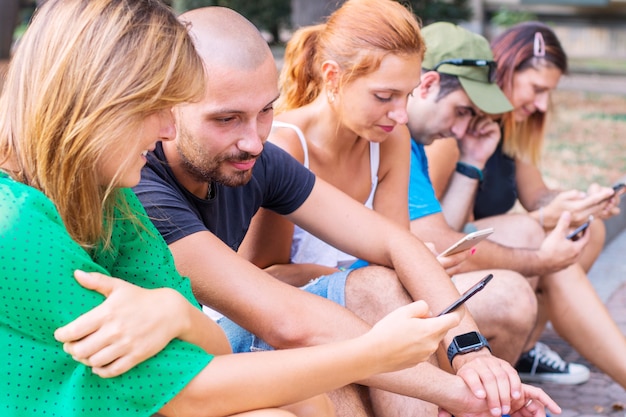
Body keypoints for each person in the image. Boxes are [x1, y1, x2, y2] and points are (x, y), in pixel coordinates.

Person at [0, 1, 468, 416]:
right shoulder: (18, 224)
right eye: (154, 107)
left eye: (266, 111)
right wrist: (376, 355)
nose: (165, 127)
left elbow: (212, 344)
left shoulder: (114, 203)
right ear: (93, 104)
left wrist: (175, 312)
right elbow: (191, 391)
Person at [126, 3, 560, 417]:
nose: (255, 140)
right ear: (169, 107)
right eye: (227, 119)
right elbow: (285, 321)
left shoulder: (258, 159)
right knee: (368, 296)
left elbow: (395, 241)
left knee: (378, 291)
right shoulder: (140, 184)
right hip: (184, 374)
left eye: (265, 112)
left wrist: (469, 351)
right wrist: (459, 391)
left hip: (235, 352)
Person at [240, 0, 533, 373]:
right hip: (290, 319)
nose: (400, 113)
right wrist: (370, 279)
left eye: (407, 95)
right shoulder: (285, 147)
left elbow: (394, 249)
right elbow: (265, 278)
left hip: (372, 305)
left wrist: (417, 265)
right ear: (333, 77)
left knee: (444, 307)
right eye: (385, 96)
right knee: (397, 300)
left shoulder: (391, 140)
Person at [422, 21, 626, 388]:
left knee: (585, 228)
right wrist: (544, 217)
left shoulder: (512, 125)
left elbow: (537, 195)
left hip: (468, 246)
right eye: (537, 88)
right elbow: (440, 228)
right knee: (535, 231)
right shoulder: (448, 128)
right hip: (446, 255)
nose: (543, 103)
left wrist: (579, 203)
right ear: (507, 72)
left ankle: (527, 348)